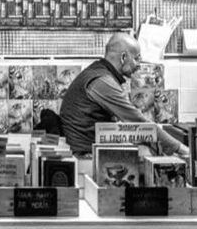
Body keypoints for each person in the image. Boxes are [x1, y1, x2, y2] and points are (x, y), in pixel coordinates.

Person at [59, 32, 189, 156]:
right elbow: (137, 121)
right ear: (123, 57)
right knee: (149, 152)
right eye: (137, 59)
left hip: (85, 145)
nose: (138, 65)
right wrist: (181, 149)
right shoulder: (103, 82)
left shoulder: (97, 72)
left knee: (147, 145)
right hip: (85, 154)